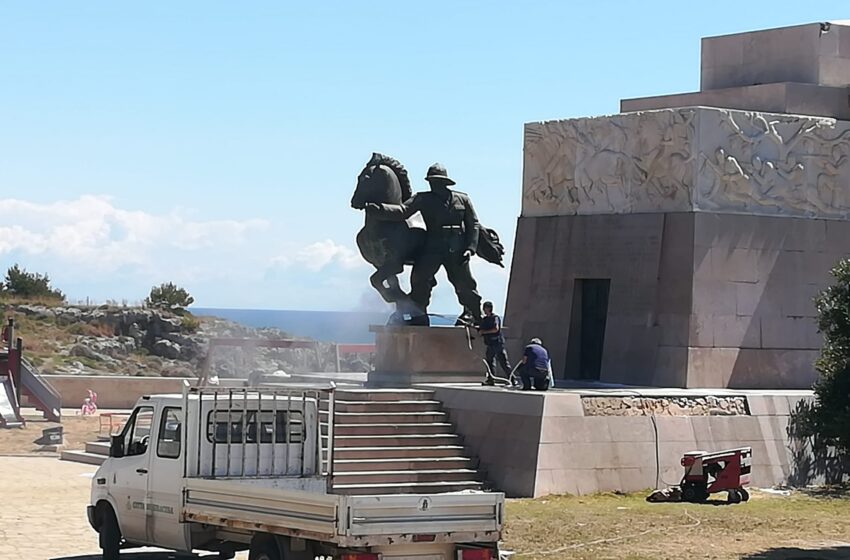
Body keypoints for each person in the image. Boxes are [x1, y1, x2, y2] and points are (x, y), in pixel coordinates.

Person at [366, 163, 483, 325]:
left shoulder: (462, 199)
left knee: (464, 283)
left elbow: (473, 224)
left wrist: (470, 247)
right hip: (432, 247)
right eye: (431, 182)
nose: (433, 185)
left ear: (445, 183)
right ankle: (418, 314)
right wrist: (379, 209)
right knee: (420, 280)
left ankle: (474, 314)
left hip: (457, 248)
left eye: (437, 182)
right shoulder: (423, 198)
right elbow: (402, 212)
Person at [478, 301, 512, 378]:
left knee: (503, 362)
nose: (484, 310)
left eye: (485, 308)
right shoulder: (485, 319)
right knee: (490, 362)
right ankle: (491, 379)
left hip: (497, 343)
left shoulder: (495, 318)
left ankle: (512, 379)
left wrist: (484, 332)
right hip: (490, 344)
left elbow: (496, 329)